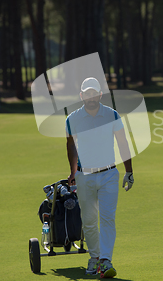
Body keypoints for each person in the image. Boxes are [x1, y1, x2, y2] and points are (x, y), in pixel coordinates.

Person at [65, 77, 134, 278]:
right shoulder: (72, 119)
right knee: (88, 220)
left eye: (94, 93)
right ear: (81, 96)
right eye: (87, 93)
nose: (91, 96)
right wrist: (72, 172)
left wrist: (129, 171)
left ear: (100, 95)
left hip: (109, 174)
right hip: (84, 175)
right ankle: (94, 257)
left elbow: (122, 142)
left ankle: (105, 260)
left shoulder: (111, 115)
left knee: (107, 218)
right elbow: (70, 145)